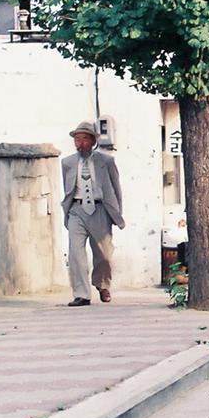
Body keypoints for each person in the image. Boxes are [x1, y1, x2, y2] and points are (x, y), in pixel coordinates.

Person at [61, 121, 124, 307]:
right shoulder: (67, 162)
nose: (80, 143)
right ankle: (81, 294)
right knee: (76, 253)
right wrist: (68, 210)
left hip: (99, 209)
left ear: (93, 141)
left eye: (84, 139)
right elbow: (68, 188)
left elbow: (116, 187)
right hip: (77, 209)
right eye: (77, 139)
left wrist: (116, 212)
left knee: (104, 255)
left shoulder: (106, 161)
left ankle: (103, 284)